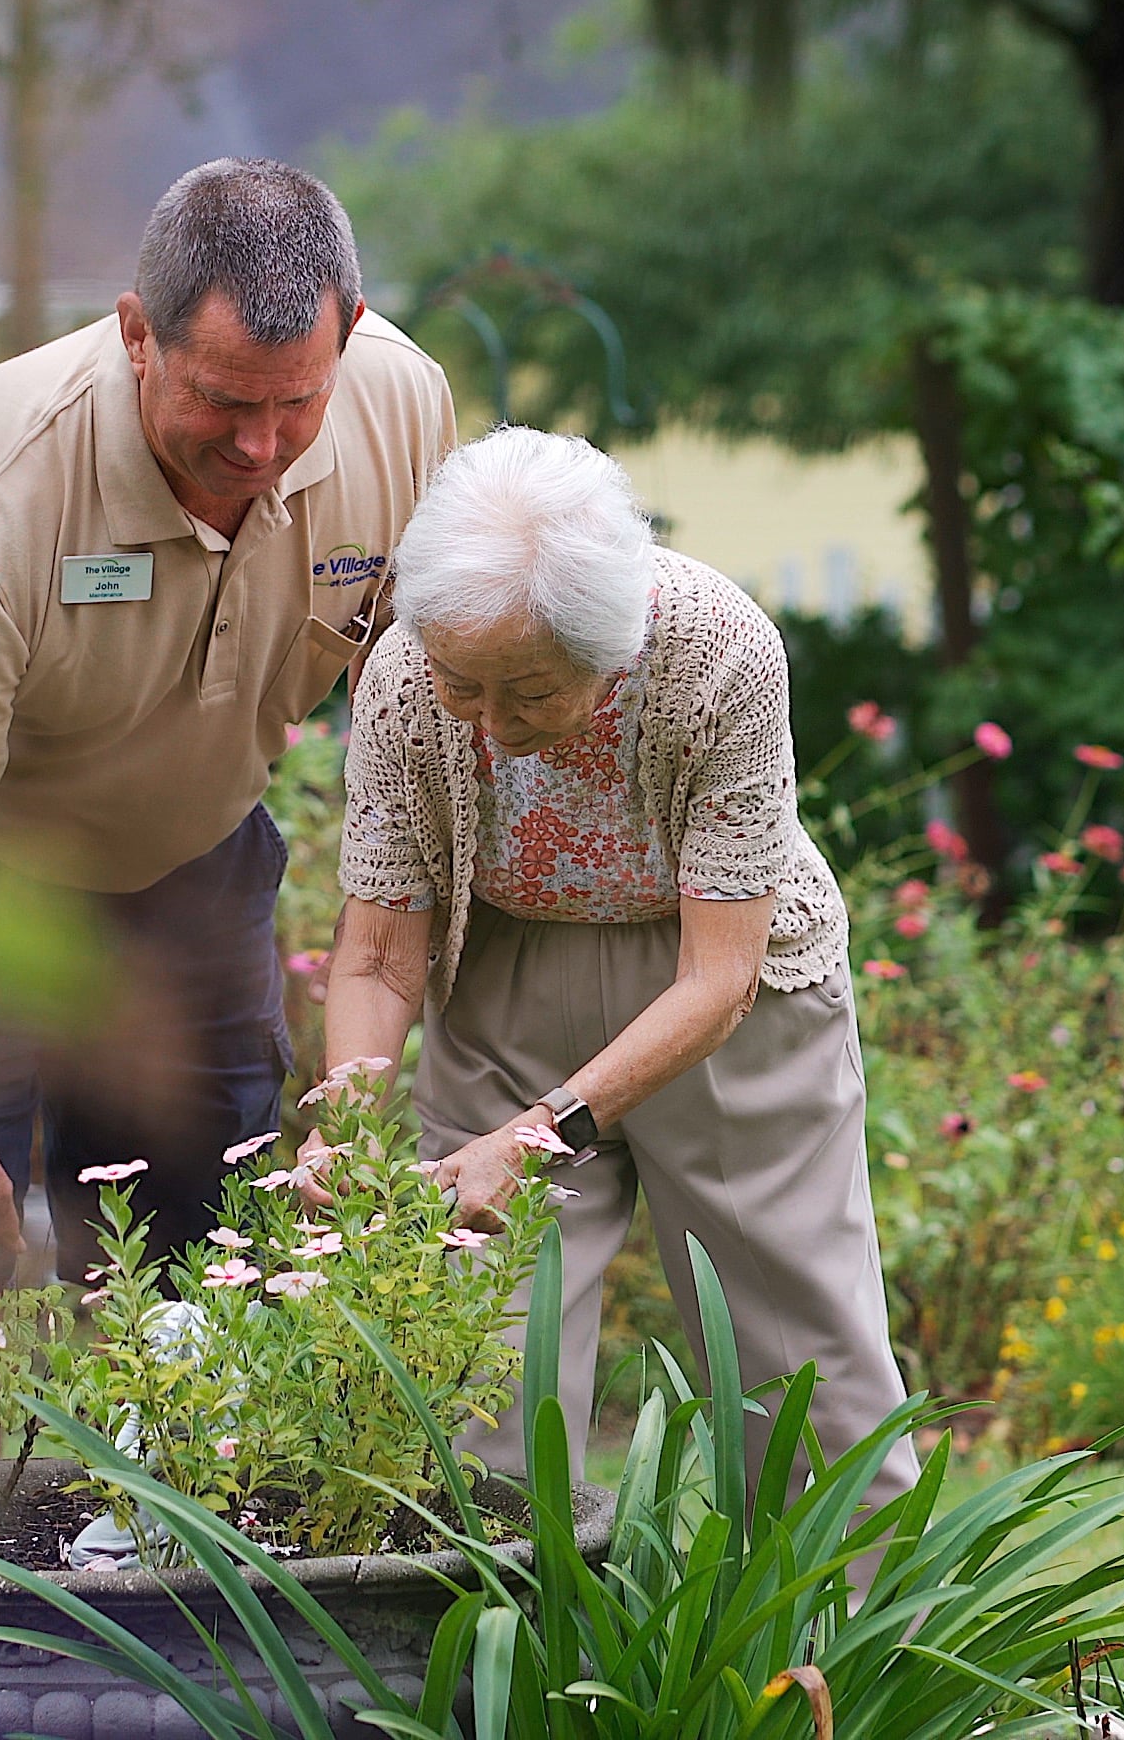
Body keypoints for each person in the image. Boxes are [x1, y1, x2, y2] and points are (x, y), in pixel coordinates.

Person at [0, 157, 458, 1300]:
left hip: (186, 850)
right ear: (136, 333)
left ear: (348, 330)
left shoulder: (400, 402)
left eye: (296, 401)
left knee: (204, 1257)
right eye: (222, 401)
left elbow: (425, 677)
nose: (261, 447)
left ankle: (173, 1480)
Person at [314, 426, 914, 1505]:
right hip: (502, 973)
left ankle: (839, 1652)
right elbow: (376, 951)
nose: (490, 727)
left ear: (610, 645)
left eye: (529, 692)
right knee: (471, 1356)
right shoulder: (406, 676)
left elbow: (718, 979)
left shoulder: (719, 651)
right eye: (464, 683)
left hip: (729, 988)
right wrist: (344, 1121)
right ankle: (477, 1655)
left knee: (796, 1358)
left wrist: (543, 1134)